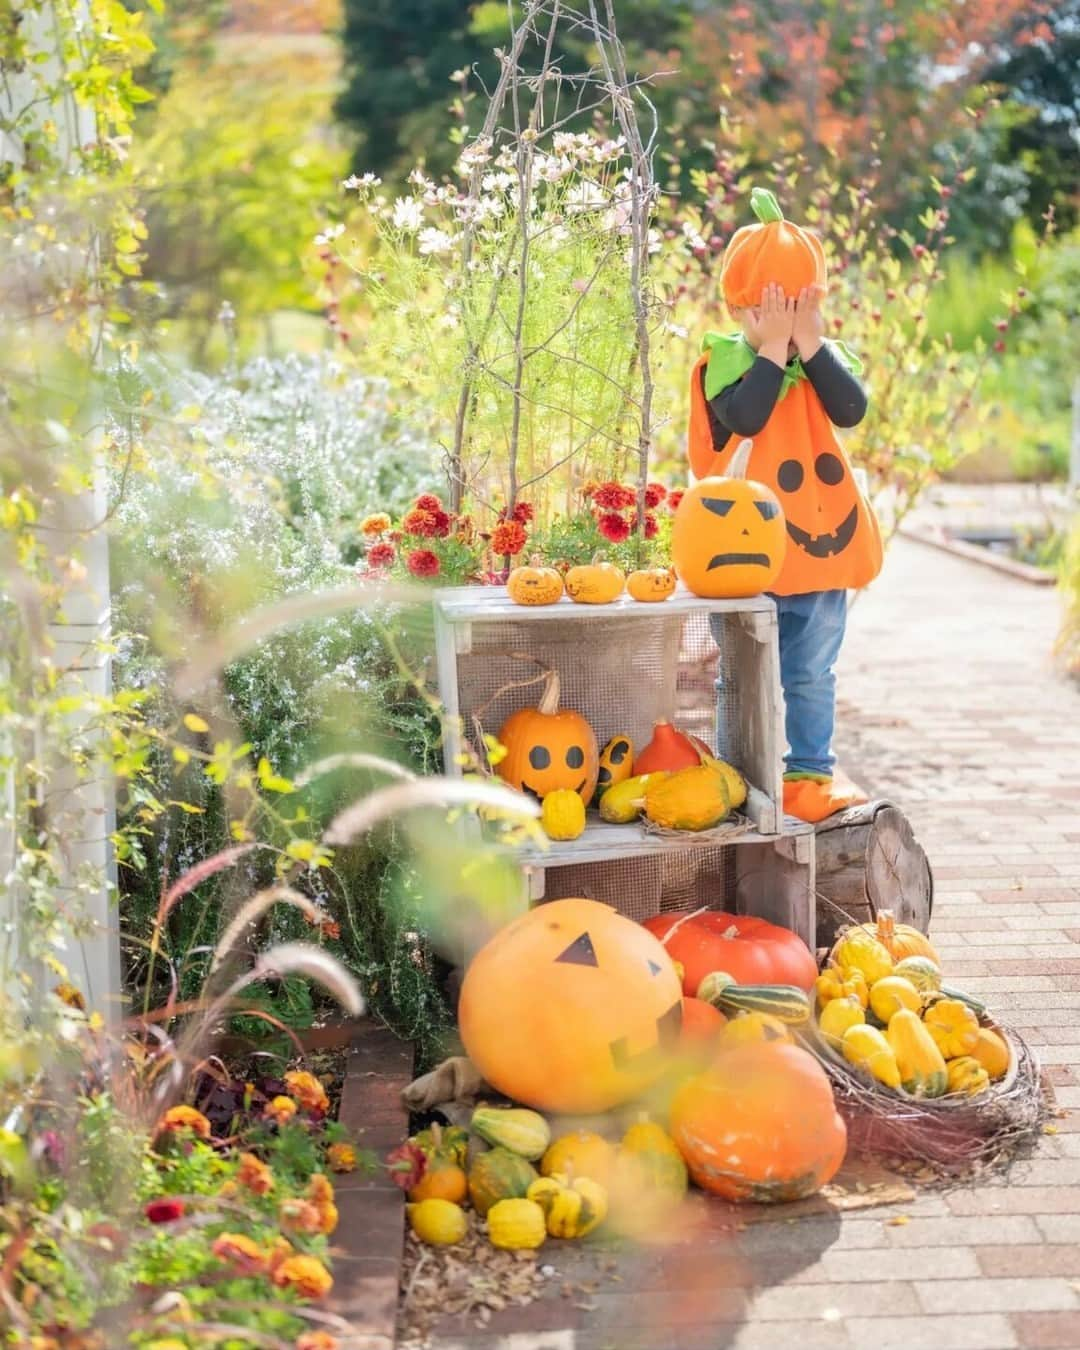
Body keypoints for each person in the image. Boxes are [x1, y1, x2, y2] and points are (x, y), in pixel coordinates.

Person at [688, 187, 883, 824]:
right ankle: (737, 774)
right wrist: (771, 349)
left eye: (796, 306)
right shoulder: (722, 365)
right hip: (744, 557)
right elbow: (746, 418)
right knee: (742, 677)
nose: (783, 322)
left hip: (821, 552)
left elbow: (851, 411)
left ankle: (809, 774)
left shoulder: (828, 362)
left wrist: (809, 344)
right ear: (741, 308)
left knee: (812, 672)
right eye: (769, 310)